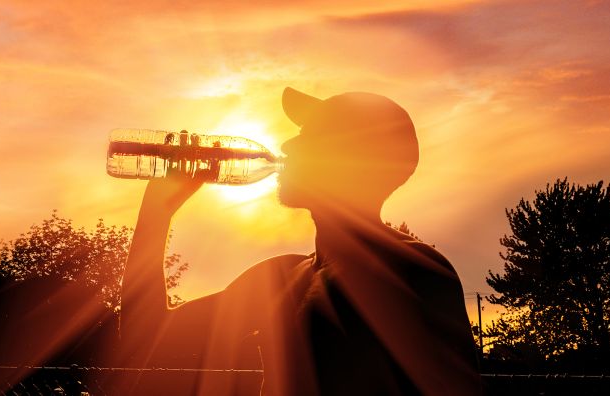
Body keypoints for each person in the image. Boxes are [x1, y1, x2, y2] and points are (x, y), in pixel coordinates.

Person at [114, 87, 482, 395]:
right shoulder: (282, 277)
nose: (288, 144)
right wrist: (157, 210)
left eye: (312, 137)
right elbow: (145, 338)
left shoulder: (412, 270)